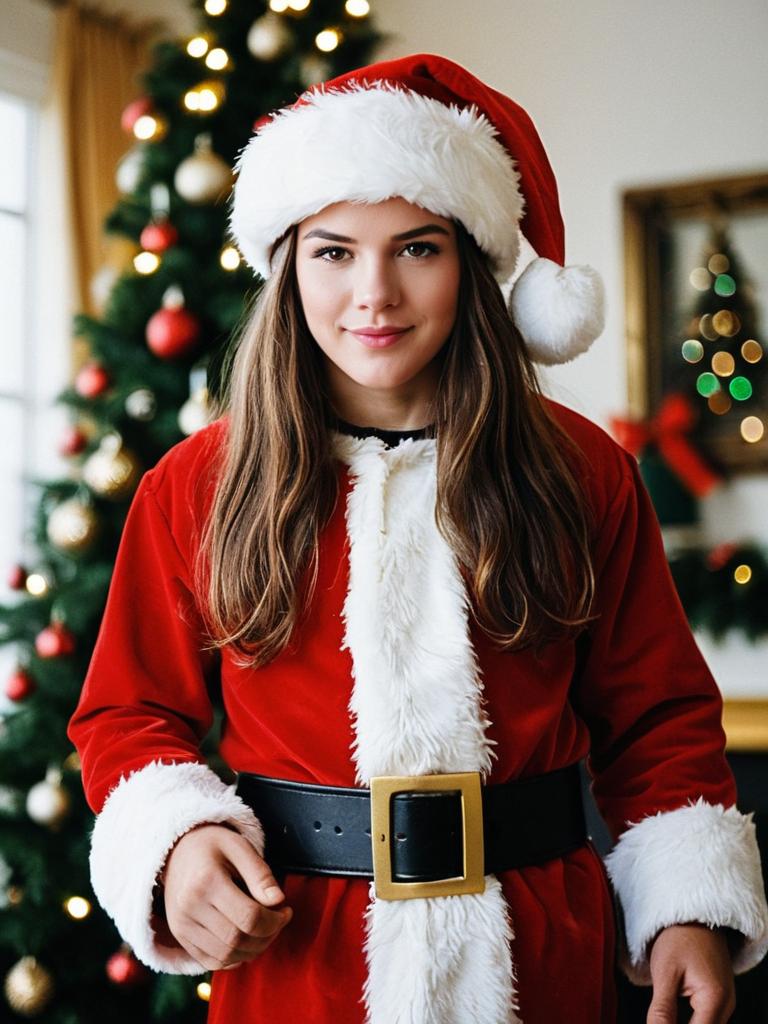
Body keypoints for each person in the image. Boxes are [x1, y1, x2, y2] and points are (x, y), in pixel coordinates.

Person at [68, 53, 768, 1024]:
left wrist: (688, 907)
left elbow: (656, 720)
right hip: (299, 963)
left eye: (418, 247)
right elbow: (127, 715)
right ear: (287, 263)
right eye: (335, 251)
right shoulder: (197, 486)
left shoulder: (581, 470)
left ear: (473, 260)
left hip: (542, 959)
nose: (375, 295)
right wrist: (175, 838)